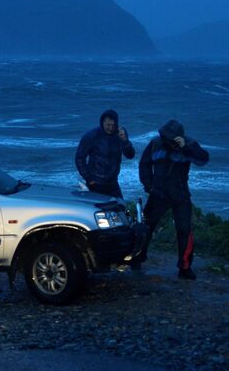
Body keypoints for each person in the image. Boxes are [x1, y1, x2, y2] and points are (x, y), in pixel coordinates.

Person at [137, 119, 209, 279]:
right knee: (146, 227)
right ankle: (138, 258)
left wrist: (186, 147)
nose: (166, 139)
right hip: (159, 194)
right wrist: (148, 185)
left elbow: (203, 159)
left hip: (180, 194)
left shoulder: (189, 144)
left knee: (184, 231)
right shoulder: (156, 143)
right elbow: (144, 164)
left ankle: (184, 268)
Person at [75, 109, 135, 198]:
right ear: (102, 123)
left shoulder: (120, 134)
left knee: (120, 208)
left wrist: (125, 141)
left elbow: (130, 155)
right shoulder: (92, 136)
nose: (111, 128)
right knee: (99, 210)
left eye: (113, 125)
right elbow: (79, 158)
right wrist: (89, 178)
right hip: (95, 183)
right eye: (108, 125)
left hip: (113, 182)